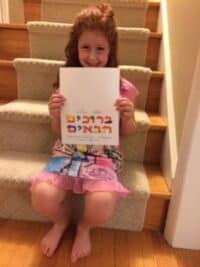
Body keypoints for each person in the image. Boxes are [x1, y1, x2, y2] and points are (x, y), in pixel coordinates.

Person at [30, 3, 139, 263]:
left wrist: (128, 115)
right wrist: (55, 114)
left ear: (111, 50)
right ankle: (61, 221)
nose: (92, 56)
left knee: (102, 204)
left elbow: (127, 133)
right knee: (42, 197)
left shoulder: (121, 87)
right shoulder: (66, 83)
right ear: (75, 48)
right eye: (85, 48)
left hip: (103, 155)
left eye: (100, 49)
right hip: (69, 150)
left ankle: (84, 227)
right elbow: (59, 132)